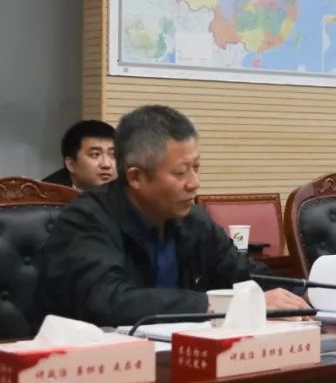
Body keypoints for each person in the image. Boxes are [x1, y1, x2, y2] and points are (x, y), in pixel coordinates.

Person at [36, 105, 308, 327]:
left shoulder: (192, 219)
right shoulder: (85, 219)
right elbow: (109, 301)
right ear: (136, 177)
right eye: (180, 173)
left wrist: (302, 295)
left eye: (196, 168)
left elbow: (242, 273)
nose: (194, 183)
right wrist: (217, 304)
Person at [41, 120, 117, 191]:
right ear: (71, 165)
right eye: (95, 154)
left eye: (114, 154)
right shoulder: (46, 195)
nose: (106, 164)